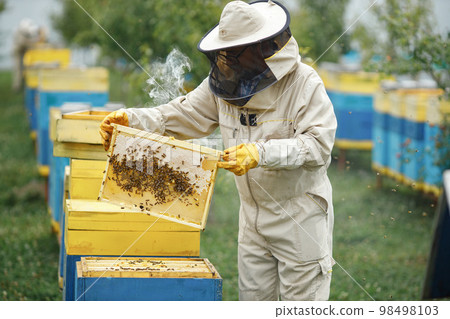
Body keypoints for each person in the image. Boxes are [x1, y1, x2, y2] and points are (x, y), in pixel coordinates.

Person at [100, 0, 337, 301]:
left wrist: (260, 153)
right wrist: (132, 120)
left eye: (235, 53)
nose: (227, 61)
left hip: (299, 217)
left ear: (261, 47)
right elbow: (180, 114)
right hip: (251, 219)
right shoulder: (225, 84)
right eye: (224, 54)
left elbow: (317, 146)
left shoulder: (304, 84)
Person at [12, 19, 48, 91]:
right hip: (18, 52)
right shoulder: (20, 35)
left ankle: (25, 83)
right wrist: (37, 42)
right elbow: (26, 44)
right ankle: (17, 87)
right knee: (18, 69)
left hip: (24, 51)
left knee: (26, 68)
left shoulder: (27, 30)